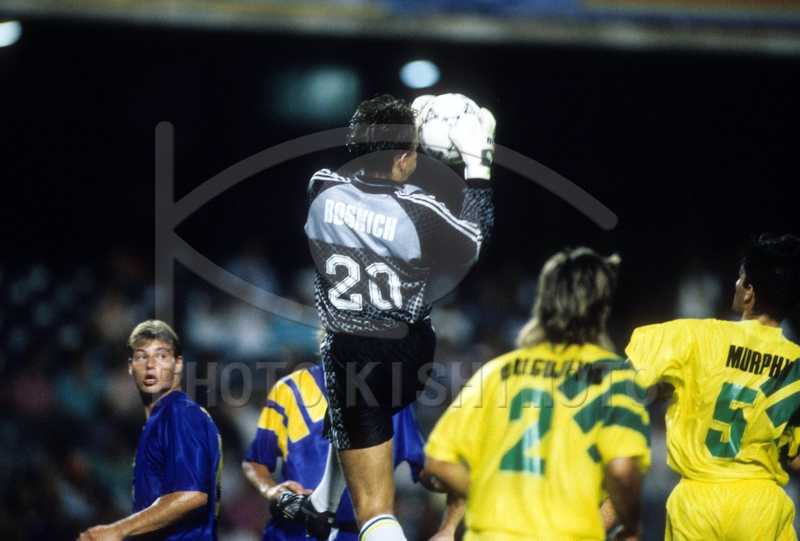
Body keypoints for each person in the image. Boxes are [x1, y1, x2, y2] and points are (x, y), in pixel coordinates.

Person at [292, 93, 495, 541]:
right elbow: (475, 238)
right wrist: (477, 166)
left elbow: (363, 180)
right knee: (352, 417)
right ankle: (322, 504)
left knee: (374, 509)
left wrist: (397, 131)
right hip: (411, 353)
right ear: (403, 159)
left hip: (352, 352)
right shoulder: (422, 211)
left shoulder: (320, 186)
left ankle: (338, 511)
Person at [424, 247, 651, 541]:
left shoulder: (497, 371)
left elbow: (438, 463)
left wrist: (488, 496)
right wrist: (631, 528)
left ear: (542, 302)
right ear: (600, 309)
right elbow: (621, 471)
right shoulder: (614, 377)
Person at [625, 232, 800, 541]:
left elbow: (625, 382)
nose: (735, 283)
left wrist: (665, 390)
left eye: (741, 277)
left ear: (750, 292)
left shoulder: (697, 336)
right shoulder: (795, 364)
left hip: (697, 504)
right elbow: (794, 455)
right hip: (761, 507)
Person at [241, 363, 465, 540]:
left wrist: (448, 527)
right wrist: (271, 490)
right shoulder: (291, 388)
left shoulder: (393, 399)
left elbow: (432, 471)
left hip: (357, 533)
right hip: (292, 530)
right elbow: (255, 461)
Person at [77, 320, 223, 541]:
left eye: (161, 356)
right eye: (141, 357)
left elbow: (192, 494)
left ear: (178, 364)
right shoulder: (159, 420)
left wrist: (117, 530)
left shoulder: (181, 414)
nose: (150, 365)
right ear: (130, 366)